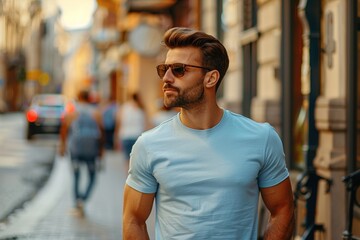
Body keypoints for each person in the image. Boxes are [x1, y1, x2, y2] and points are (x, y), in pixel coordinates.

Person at [122, 27, 295, 239]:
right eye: (163, 69)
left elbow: (283, 210)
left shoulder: (261, 138)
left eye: (178, 69)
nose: (166, 78)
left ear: (211, 78)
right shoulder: (148, 145)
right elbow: (133, 220)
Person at [59, 89, 104, 217]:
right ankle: (83, 200)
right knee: (92, 176)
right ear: (89, 98)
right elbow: (102, 132)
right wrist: (101, 150)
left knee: (76, 176)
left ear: (78, 97)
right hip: (91, 150)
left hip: (75, 149)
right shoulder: (96, 113)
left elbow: (64, 130)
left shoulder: (72, 112)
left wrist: (62, 146)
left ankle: (77, 202)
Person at [114, 92, 149, 163]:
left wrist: (116, 137)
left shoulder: (124, 107)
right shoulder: (141, 108)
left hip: (125, 135)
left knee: (127, 159)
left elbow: (119, 123)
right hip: (138, 135)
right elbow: (146, 124)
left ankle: (128, 173)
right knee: (137, 160)